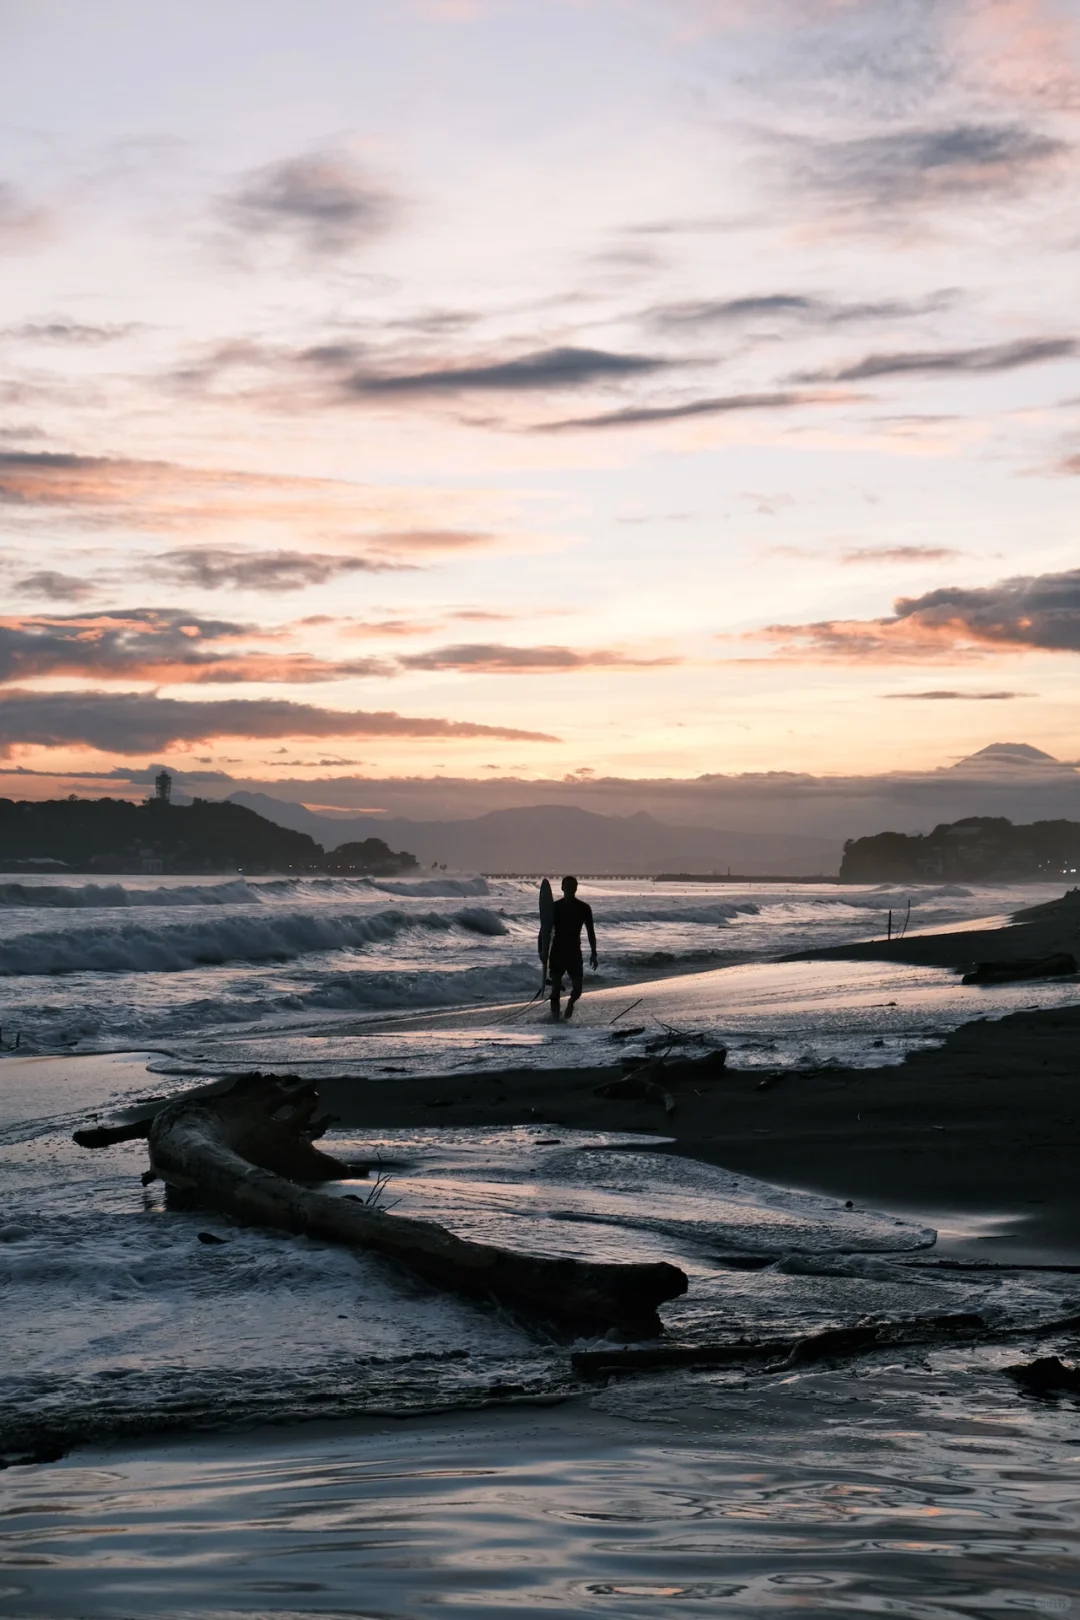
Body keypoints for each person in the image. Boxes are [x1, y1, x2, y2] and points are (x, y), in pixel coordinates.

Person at [548, 875, 597, 1020]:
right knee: (555, 989)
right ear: (562, 888)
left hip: (574, 952)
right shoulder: (555, 907)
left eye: (572, 886)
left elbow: (590, 931)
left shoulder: (583, 908)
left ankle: (570, 1002)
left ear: (576, 888)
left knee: (578, 990)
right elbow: (545, 930)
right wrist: (542, 952)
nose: (569, 889)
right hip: (557, 951)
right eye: (566, 886)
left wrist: (594, 953)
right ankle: (555, 1019)